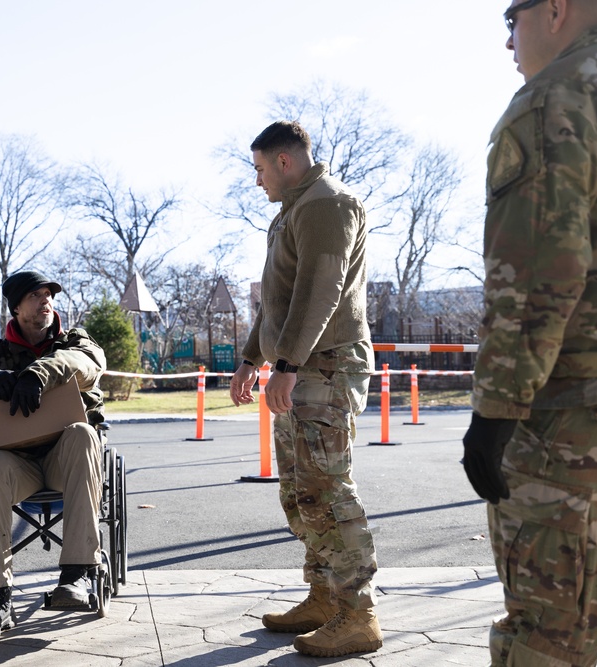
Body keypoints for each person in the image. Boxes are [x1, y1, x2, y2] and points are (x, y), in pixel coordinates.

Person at [462, 2, 597, 665]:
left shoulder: (563, 95)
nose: (507, 41)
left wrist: (495, 413)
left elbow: (535, 274)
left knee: (549, 638)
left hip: (578, 422)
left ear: (554, 9)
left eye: (512, 19)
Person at [229, 121, 381, 658]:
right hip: (302, 368)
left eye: (260, 169)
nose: (258, 181)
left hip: (324, 367)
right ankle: (323, 598)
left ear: (284, 162)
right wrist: (253, 358)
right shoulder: (295, 210)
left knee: (327, 489)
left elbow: (321, 290)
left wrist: (287, 364)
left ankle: (357, 614)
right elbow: (279, 298)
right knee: (301, 492)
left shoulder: (325, 204)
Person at [0, 270, 107, 642]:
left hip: (65, 459)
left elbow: (89, 365)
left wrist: (38, 373)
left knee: (83, 434)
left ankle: (77, 574)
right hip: (16, 461)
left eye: (48, 294)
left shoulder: (74, 340)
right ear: (16, 306)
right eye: (35, 296)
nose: (46, 301)